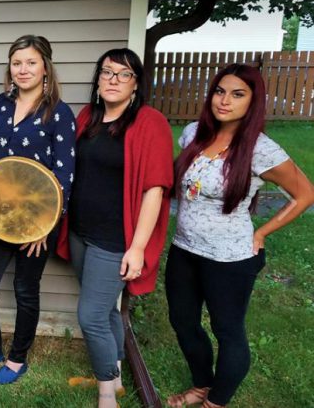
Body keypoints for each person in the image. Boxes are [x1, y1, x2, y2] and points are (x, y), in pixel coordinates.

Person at [165, 64, 314, 408]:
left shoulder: (261, 149)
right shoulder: (192, 134)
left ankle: (215, 401)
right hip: (185, 248)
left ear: (253, 101)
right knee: (183, 322)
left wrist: (262, 231)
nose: (225, 101)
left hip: (230, 257)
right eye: (220, 91)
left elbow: (305, 194)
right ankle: (201, 384)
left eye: (237, 94)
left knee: (227, 331)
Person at [56, 48, 174, 408]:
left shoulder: (150, 122)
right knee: (106, 309)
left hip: (115, 238)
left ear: (136, 83)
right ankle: (118, 379)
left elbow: (155, 190)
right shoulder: (87, 117)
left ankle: (107, 393)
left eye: (123, 74)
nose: (113, 80)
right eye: (107, 72)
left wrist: (137, 247)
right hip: (80, 231)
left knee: (90, 315)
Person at [0, 35, 76, 384]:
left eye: (31, 62)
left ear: (45, 66)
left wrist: (46, 225)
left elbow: (65, 176)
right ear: (10, 68)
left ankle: (17, 358)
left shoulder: (58, 112)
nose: (23, 69)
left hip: (37, 222)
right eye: (17, 63)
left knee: (25, 290)